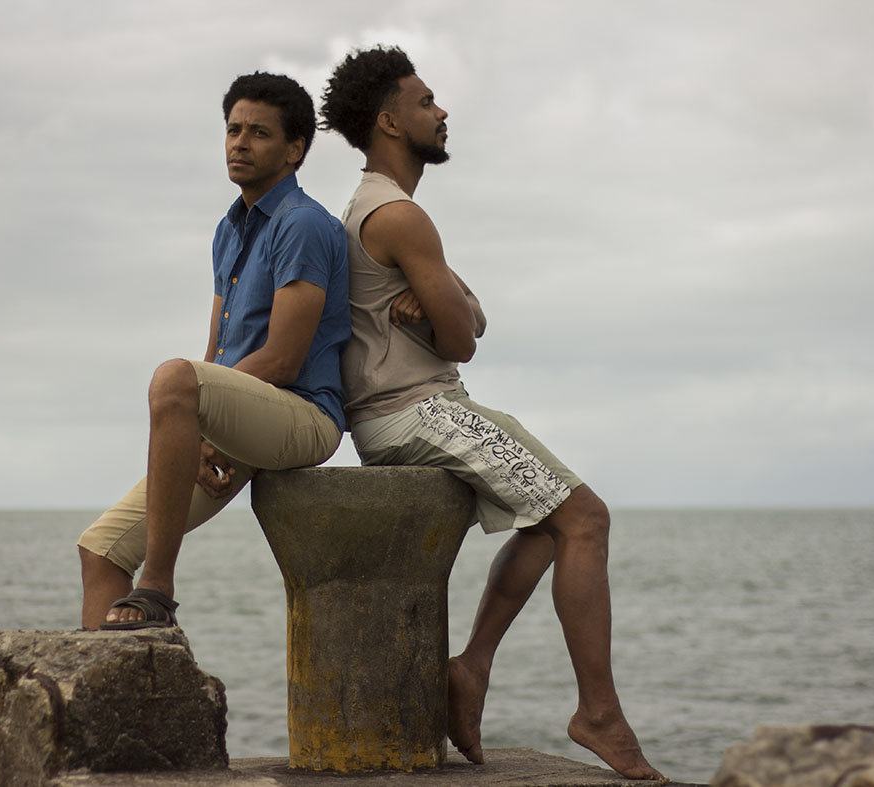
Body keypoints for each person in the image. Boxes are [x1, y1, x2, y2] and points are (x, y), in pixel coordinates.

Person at [319, 47, 666, 782]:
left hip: (411, 410)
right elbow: (464, 338)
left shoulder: (378, 211)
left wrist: (450, 307)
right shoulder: (398, 215)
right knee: (586, 517)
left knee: (551, 520)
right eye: (425, 101)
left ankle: (471, 669)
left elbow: (470, 314)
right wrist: (446, 313)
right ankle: (597, 712)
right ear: (388, 120)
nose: (442, 112)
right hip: (414, 411)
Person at [77, 72, 349, 631]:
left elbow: (280, 360)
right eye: (232, 130)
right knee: (101, 549)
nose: (239, 143)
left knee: (174, 377)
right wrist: (200, 422)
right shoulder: (229, 229)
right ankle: (114, 698)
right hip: (240, 416)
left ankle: (158, 585)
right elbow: (215, 356)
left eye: (259, 133)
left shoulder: (302, 225)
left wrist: (201, 420)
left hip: (303, 415)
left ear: (295, 149)